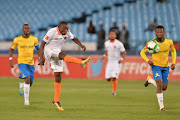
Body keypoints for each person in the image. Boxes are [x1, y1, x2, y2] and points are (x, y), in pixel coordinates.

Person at [38, 21, 91, 111]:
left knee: (58, 76)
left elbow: (74, 38)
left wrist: (81, 45)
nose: (66, 30)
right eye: (64, 29)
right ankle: (80, 62)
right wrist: (41, 57)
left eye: (67, 29)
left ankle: (56, 100)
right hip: (49, 51)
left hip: (57, 52)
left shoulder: (67, 32)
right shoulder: (52, 31)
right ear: (59, 27)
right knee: (62, 54)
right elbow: (42, 44)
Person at [140, 25, 176, 111]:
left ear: (163, 32)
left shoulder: (169, 41)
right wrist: (148, 61)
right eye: (157, 32)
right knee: (159, 84)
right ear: (155, 33)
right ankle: (161, 107)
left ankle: (150, 80)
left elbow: (174, 51)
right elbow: (142, 52)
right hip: (156, 66)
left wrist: (173, 62)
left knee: (164, 87)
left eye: (161, 32)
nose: (159, 33)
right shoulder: (151, 43)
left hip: (166, 66)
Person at [9, 24, 40, 106]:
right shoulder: (17, 39)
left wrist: (40, 57)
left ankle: (22, 85)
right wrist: (10, 59)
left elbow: (38, 48)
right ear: (22, 29)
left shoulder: (34, 39)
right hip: (22, 62)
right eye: (26, 28)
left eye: (29, 28)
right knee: (27, 78)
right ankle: (26, 101)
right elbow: (11, 49)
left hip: (31, 63)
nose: (28, 29)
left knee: (30, 83)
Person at [101, 30, 126, 95]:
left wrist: (122, 58)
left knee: (114, 77)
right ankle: (114, 81)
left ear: (115, 36)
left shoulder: (119, 43)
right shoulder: (106, 43)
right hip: (110, 62)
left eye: (113, 34)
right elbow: (107, 51)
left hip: (117, 62)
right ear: (109, 35)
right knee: (108, 78)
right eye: (110, 34)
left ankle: (114, 91)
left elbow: (124, 52)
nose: (111, 35)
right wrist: (104, 56)